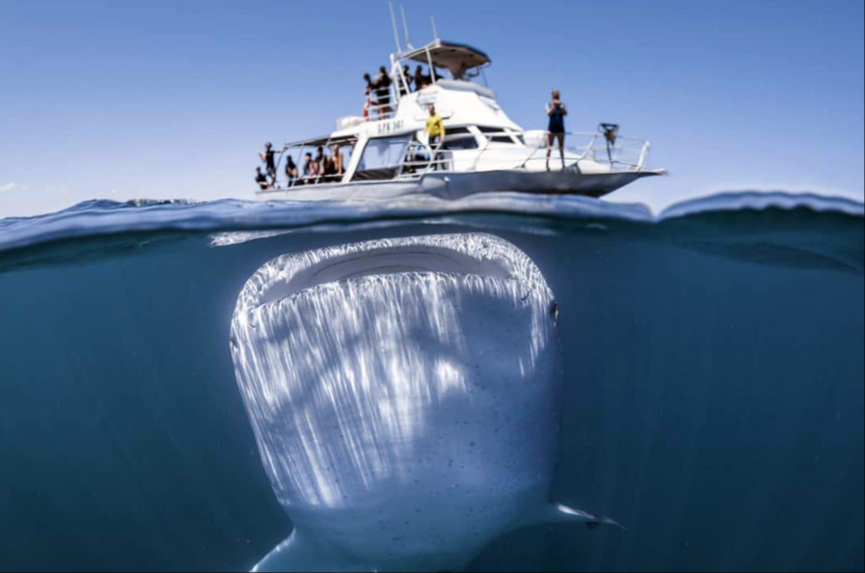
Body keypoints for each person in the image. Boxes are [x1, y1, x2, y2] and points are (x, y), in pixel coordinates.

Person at [545, 90, 567, 170]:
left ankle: (563, 164)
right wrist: (554, 106)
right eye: (555, 96)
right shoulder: (548, 104)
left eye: (557, 96)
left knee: (561, 148)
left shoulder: (562, 104)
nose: (556, 97)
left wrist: (560, 106)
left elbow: (565, 113)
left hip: (560, 129)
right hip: (551, 129)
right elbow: (548, 113)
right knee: (549, 147)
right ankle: (547, 164)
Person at [425, 104, 445, 170]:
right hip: (431, 136)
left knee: (439, 151)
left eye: (431, 109)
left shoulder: (438, 117)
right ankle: (435, 166)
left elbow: (442, 128)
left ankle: (443, 167)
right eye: (429, 109)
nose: (430, 110)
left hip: (437, 135)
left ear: (433, 109)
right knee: (433, 151)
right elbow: (427, 126)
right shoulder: (428, 118)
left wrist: (442, 136)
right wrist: (425, 132)